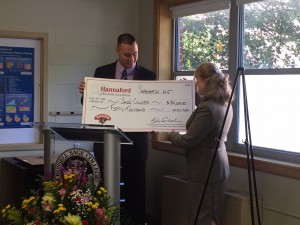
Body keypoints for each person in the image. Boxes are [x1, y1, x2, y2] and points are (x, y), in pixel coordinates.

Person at [79, 33, 157, 225]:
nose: (132, 59)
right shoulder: (101, 72)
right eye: (127, 55)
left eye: (136, 54)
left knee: (136, 195)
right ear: (117, 52)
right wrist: (85, 93)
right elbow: (90, 105)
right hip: (107, 143)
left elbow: (153, 106)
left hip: (136, 144)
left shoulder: (149, 76)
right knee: (104, 192)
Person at [169, 62, 233, 225]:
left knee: (202, 216)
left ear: (206, 81)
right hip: (217, 166)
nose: (195, 82)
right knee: (211, 214)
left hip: (205, 169)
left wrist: (171, 134)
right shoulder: (224, 103)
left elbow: (188, 140)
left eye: (196, 79)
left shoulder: (208, 109)